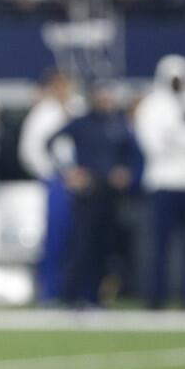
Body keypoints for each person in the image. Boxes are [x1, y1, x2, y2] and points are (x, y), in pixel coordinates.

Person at [134, 54, 185, 310]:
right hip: (163, 182)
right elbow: (152, 144)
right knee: (159, 244)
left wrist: (176, 138)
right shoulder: (150, 106)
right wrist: (183, 137)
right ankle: (155, 298)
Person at [50, 81, 137, 308]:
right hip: (87, 192)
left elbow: (134, 155)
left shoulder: (118, 124)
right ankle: (69, 297)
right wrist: (67, 171)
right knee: (81, 245)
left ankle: (95, 297)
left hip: (111, 194)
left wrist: (126, 173)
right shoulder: (82, 123)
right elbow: (50, 142)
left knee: (104, 247)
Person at [19, 68, 80, 305]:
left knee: (77, 239)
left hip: (81, 180)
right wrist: (51, 173)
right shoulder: (42, 113)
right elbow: (29, 150)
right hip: (56, 181)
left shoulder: (77, 109)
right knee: (55, 236)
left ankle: (72, 291)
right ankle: (50, 291)